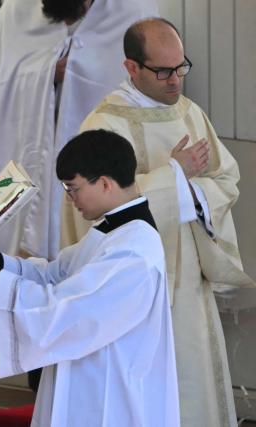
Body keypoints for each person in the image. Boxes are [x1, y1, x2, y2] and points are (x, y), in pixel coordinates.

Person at [67, 18, 254, 427]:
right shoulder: (104, 125)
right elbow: (98, 210)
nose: (176, 81)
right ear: (131, 68)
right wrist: (174, 176)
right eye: (163, 71)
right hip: (140, 288)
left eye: (181, 67)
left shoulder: (188, 113)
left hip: (189, 284)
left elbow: (227, 178)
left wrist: (193, 193)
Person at [0, 129, 180, 427]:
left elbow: (71, 310)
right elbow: (56, 276)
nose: (70, 198)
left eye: (72, 188)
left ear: (104, 183)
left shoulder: (133, 250)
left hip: (108, 395)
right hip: (89, 381)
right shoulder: (113, 231)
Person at [0, 0, 157, 260]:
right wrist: (46, 75)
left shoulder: (133, 8)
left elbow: (145, 88)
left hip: (97, 165)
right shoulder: (18, 8)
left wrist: (81, 74)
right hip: (34, 156)